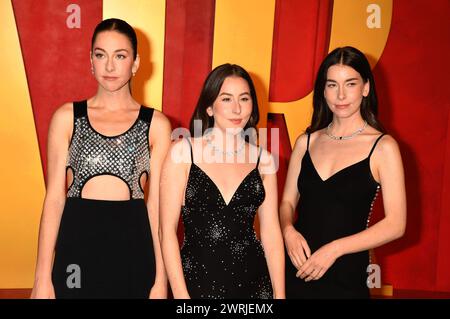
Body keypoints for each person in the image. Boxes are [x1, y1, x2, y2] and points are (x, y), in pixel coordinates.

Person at [30, 18, 171, 298]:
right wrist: (41, 278)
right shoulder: (67, 118)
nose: (109, 66)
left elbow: (157, 209)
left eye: (120, 56)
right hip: (75, 254)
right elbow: (55, 199)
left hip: (134, 253)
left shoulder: (156, 125)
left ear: (135, 63)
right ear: (90, 61)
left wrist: (160, 280)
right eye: (100, 55)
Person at [280, 46, 406, 298]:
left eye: (350, 83)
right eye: (331, 85)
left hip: (345, 275)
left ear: (366, 88)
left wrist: (334, 249)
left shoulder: (383, 147)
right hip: (295, 269)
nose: (340, 95)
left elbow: (396, 224)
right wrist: (287, 230)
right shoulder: (306, 142)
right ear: (323, 90)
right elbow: (287, 201)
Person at [160, 63, 285, 299]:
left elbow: (271, 234)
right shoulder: (183, 152)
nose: (237, 109)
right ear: (209, 107)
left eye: (244, 99)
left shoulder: (264, 160)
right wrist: (181, 296)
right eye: (226, 99)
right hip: (196, 284)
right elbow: (166, 232)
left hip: (254, 286)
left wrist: (280, 296)